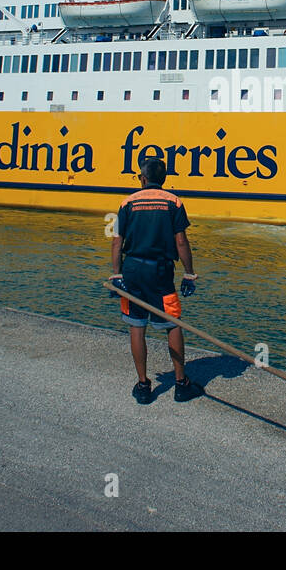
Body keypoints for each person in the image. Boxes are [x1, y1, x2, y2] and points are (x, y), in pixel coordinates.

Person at [110, 157, 201, 404]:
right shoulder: (173, 202)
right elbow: (181, 241)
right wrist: (189, 273)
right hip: (160, 273)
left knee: (137, 327)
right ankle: (181, 385)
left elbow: (117, 241)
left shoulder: (127, 203)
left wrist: (116, 275)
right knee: (172, 324)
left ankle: (143, 386)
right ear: (164, 179)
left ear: (142, 178)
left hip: (132, 271)